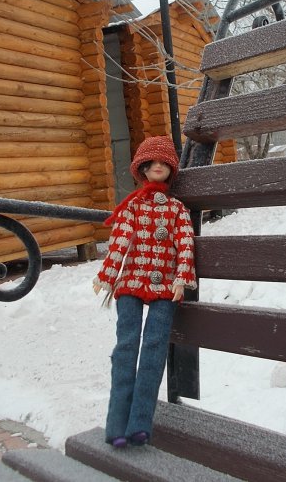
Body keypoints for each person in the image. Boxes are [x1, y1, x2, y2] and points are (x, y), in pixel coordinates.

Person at [93, 135, 197, 448]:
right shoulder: (132, 207)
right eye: (151, 162)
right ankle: (115, 425)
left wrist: (181, 277)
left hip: (166, 286)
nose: (157, 167)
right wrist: (107, 276)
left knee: (154, 347)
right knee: (126, 346)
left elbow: (185, 244)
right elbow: (120, 242)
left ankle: (139, 423)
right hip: (131, 283)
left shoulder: (178, 210)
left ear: (171, 169)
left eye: (164, 162)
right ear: (142, 167)